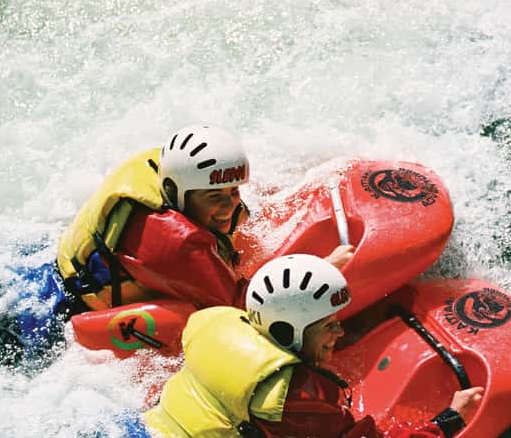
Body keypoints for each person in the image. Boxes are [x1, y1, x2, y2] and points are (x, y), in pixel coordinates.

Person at [142, 253, 484, 438]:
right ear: (286, 333)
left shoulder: (224, 320)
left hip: (139, 435)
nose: (339, 333)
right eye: (327, 326)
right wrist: (449, 421)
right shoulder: (291, 395)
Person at [56, 124, 353, 313]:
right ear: (176, 191)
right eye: (214, 197)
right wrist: (322, 269)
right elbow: (244, 305)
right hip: (62, 307)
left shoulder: (168, 168)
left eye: (234, 190)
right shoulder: (175, 243)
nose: (229, 206)